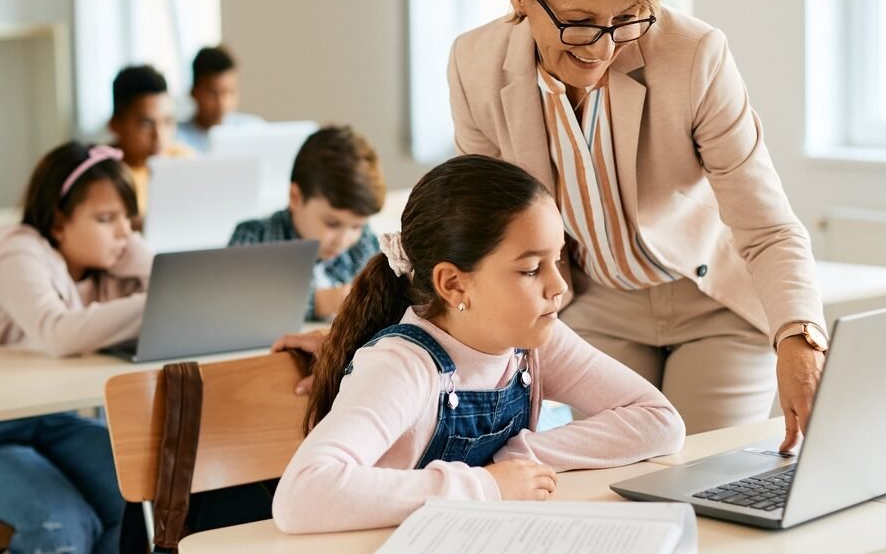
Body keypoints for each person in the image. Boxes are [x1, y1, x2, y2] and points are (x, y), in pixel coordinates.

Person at [447, 0, 827, 447]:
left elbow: (765, 226)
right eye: (578, 22)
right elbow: (478, 225)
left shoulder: (695, 55)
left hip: (710, 300)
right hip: (597, 305)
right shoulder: (475, 63)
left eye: (628, 18)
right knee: (622, 482)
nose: (603, 49)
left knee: (706, 478)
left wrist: (800, 338)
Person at [272, 155, 684, 534]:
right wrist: (485, 484)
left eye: (557, 260)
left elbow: (660, 422)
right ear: (453, 284)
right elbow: (302, 496)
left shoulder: (535, 341)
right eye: (530, 269)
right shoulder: (402, 366)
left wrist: (521, 455)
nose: (558, 286)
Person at [0, 142, 148, 552]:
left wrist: (134, 248)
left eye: (130, 219)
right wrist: (154, 299)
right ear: (57, 222)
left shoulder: (104, 263)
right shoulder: (16, 252)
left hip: (55, 424)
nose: (124, 232)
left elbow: (178, 297)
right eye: (107, 219)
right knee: (63, 525)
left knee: (140, 503)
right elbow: (59, 331)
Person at [229, 125, 384, 322]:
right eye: (332, 223)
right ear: (295, 197)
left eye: (356, 226)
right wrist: (319, 302)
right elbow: (236, 302)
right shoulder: (254, 238)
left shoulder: (364, 244)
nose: (344, 239)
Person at [109, 64, 193, 222]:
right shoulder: (102, 176)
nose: (159, 136)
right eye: (146, 123)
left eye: (168, 122)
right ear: (115, 124)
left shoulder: (186, 160)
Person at [177, 45, 261, 153]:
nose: (222, 103)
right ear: (193, 92)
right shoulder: (177, 138)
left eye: (229, 92)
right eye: (213, 93)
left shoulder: (253, 130)